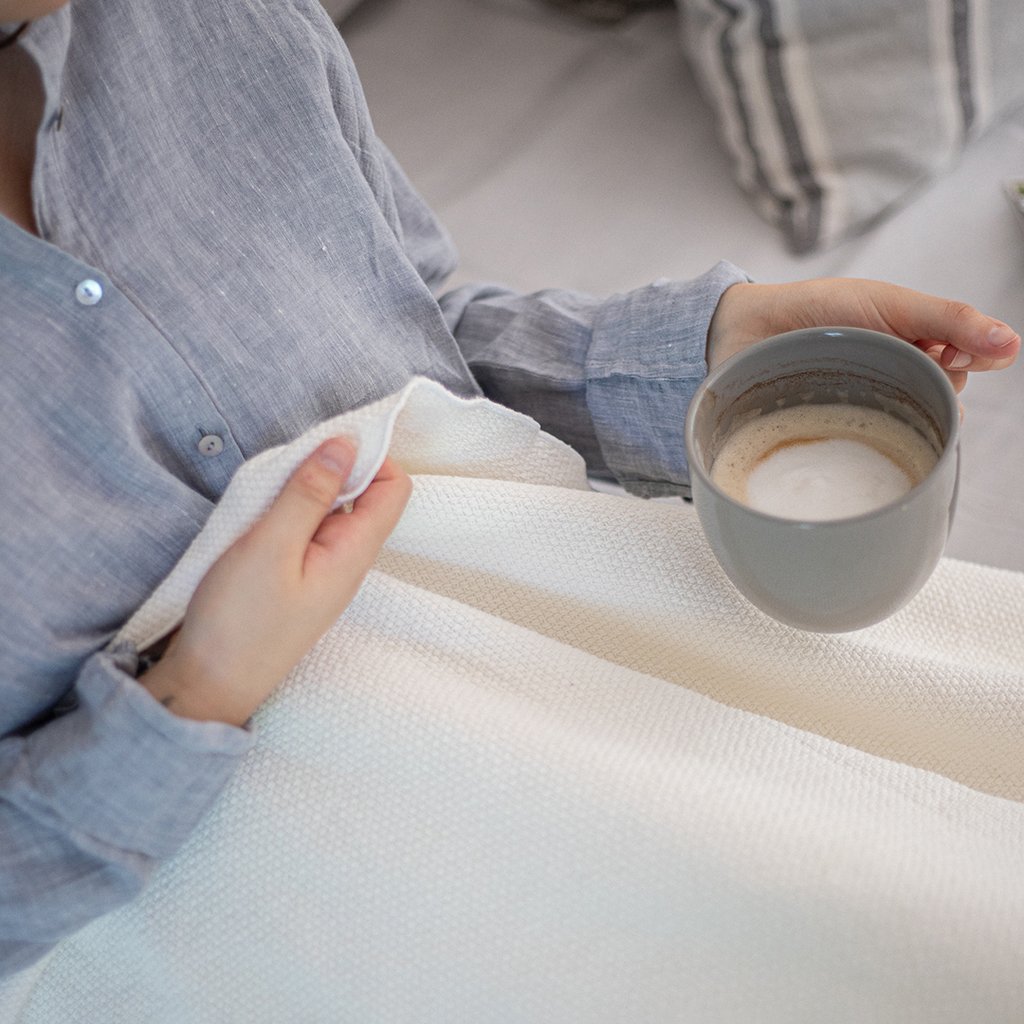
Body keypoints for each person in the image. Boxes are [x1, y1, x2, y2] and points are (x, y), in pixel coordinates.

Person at [0, 0, 1018, 982]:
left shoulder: (211, 22)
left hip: (567, 650)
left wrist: (704, 355)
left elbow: (411, 332)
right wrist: (190, 697)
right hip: (267, 898)